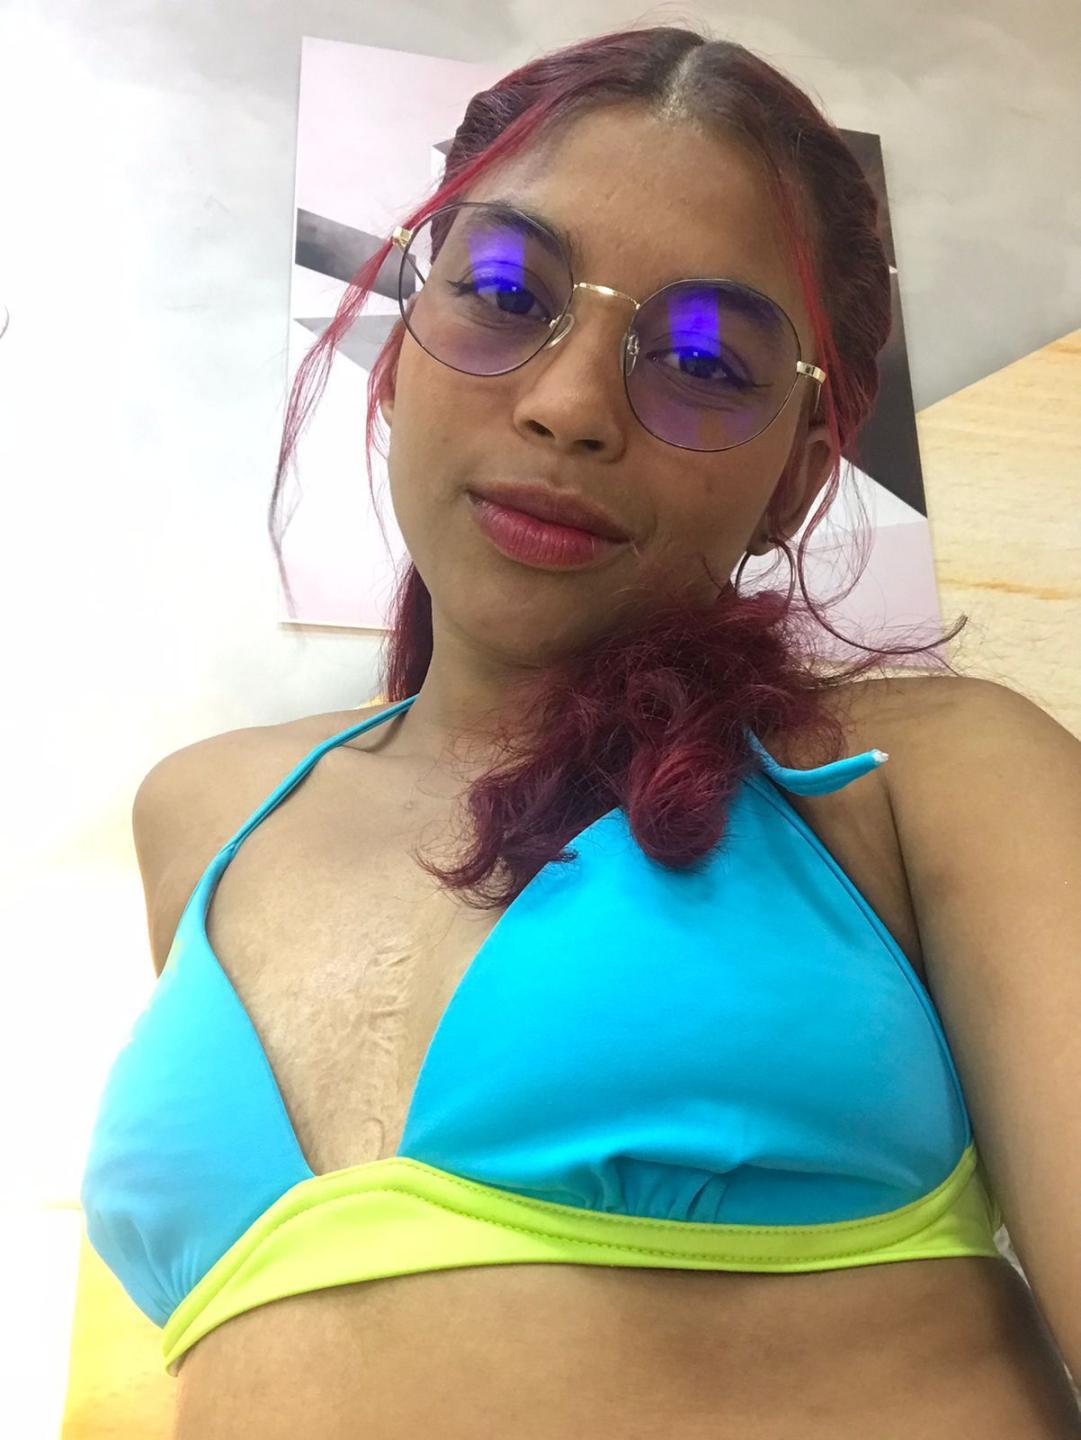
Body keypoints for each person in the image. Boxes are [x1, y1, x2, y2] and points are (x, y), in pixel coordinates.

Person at [80, 22, 1081, 1439]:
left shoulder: (931, 780)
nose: (567, 408)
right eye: (503, 293)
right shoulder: (200, 811)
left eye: (707, 364)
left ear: (797, 481)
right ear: (399, 351)